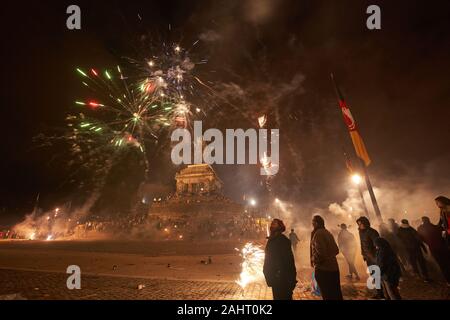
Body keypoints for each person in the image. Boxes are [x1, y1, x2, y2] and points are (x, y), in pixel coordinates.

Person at [310, 215, 343, 300]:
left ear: (316, 223)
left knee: (327, 295)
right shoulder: (327, 232)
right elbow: (336, 250)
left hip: (323, 270)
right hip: (333, 268)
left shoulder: (318, 234)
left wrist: (314, 261)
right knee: (336, 294)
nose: (312, 223)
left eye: (313, 222)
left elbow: (321, 253)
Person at [263, 219, 297, 300]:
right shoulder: (272, 240)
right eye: (272, 223)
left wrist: (291, 279)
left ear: (280, 227)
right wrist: (268, 273)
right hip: (276, 279)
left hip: (282, 279)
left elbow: (289, 261)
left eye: (274, 224)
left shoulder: (283, 240)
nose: (271, 225)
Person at [356, 216, 384, 299]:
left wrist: (377, 256)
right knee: (374, 276)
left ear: (365, 223)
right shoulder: (361, 232)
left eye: (361, 223)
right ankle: (380, 293)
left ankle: (385, 294)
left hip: (375, 257)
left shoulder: (372, 232)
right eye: (358, 224)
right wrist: (363, 254)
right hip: (369, 258)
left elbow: (378, 245)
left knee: (380, 276)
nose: (359, 225)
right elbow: (362, 244)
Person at [418, 216, 450, 284]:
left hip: (434, 249)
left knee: (442, 265)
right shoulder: (435, 227)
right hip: (442, 247)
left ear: (422, 221)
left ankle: (448, 280)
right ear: (429, 220)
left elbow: (421, 238)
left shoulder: (421, 229)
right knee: (447, 262)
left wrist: (428, 243)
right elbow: (442, 234)